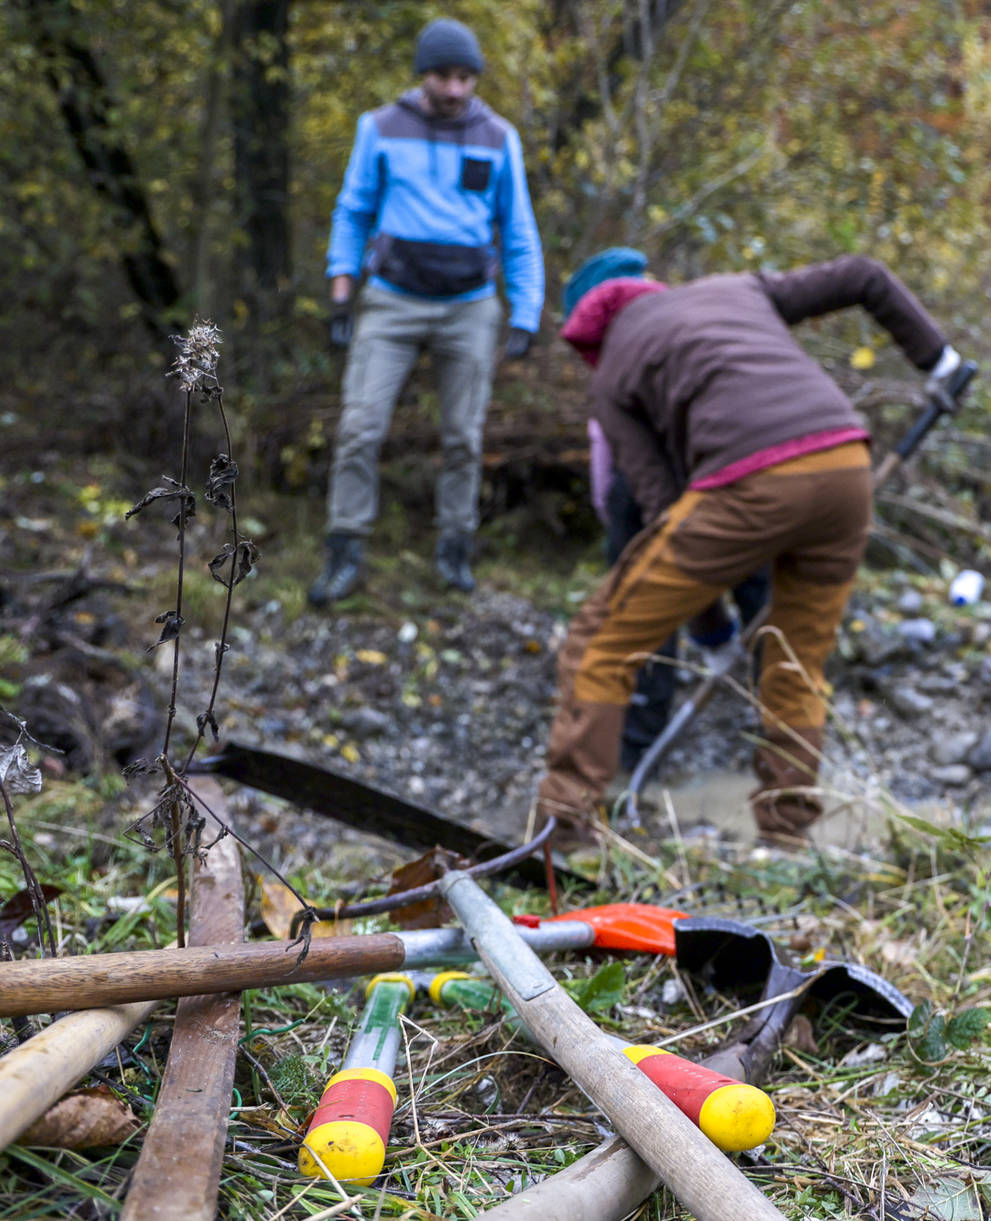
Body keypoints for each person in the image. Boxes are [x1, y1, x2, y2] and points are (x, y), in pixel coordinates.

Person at [537, 253, 962, 846]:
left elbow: (662, 515)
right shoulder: (733, 286)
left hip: (753, 482)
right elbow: (864, 274)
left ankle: (560, 833)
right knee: (794, 662)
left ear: (588, 332)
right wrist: (937, 359)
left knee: (599, 641)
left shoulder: (611, 376)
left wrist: (710, 633)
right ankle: (786, 837)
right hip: (845, 467)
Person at [308, 17, 545, 606]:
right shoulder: (381, 128)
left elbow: (518, 230)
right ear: (423, 75)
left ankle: (455, 549)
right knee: (361, 427)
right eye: (444, 76)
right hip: (391, 301)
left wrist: (526, 311)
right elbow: (353, 211)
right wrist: (341, 292)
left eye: (465, 77)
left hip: (469, 308)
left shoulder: (498, 136)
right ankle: (345, 549)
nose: (456, 88)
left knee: (464, 436)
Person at [568, 248, 769, 773]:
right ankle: (784, 727)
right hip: (734, 470)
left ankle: (637, 746)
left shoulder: (616, 368)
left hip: (662, 488)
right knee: (759, 586)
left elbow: (606, 475)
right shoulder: (690, 322)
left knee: (645, 598)